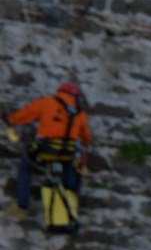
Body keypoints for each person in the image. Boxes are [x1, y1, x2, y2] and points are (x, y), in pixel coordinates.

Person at [8, 81, 92, 232]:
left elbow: (25, 115)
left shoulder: (47, 102)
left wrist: (11, 120)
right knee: (72, 170)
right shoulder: (81, 113)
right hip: (66, 156)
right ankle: (69, 206)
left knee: (25, 167)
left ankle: (22, 204)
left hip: (45, 152)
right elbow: (86, 139)